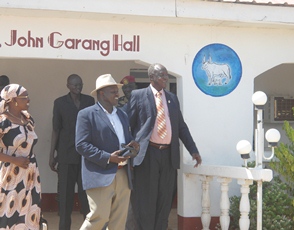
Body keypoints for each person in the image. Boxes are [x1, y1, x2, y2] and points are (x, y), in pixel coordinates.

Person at [127, 63, 202, 230]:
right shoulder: (138, 95)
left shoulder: (171, 98)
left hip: (168, 156)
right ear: (151, 77)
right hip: (147, 156)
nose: (166, 79)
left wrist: (193, 150)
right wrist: (129, 153)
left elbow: (181, 127)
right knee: (146, 200)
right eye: (162, 75)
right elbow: (128, 125)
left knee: (164, 201)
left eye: (166, 75)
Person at [75, 74, 139, 230]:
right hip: (100, 173)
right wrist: (108, 158)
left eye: (117, 91)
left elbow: (126, 139)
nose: (117, 94)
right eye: (113, 91)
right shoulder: (87, 114)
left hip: (123, 174)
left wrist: (133, 148)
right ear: (101, 93)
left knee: (119, 221)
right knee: (99, 217)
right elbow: (81, 145)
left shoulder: (122, 115)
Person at [49, 74, 94, 230]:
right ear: (68, 85)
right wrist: (52, 156)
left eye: (80, 84)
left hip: (85, 158)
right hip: (65, 156)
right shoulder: (60, 103)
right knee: (65, 199)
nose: (78, 87)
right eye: (74, 85)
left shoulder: (89, 101)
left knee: (87, 199)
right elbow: (56, 129)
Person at [0, 84, 41, 229]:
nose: (28, 100)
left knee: (29, 212)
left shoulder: (29, 120)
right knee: (8, 211)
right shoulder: (3, 121)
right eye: (25, 97)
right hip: (11, 174)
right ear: (13, 101)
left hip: (30, 175)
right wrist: (14, 160)